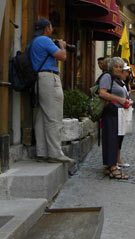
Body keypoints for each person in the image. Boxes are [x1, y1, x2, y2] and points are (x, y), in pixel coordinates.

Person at [30, 18, 75, 164]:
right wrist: (62, 46)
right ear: (47, 28)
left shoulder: (34, 41)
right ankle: (55, 153)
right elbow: (62, 56)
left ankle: (42, 152)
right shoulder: (45, 40)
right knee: (54, 117)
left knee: (42, 117)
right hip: (49, 78)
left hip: (39, 79)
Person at [98, 57, 133, 179]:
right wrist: (120, 100)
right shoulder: (107, 77)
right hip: (110, 112)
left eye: (120, 66)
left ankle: (109, 166)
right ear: (111, 67)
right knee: (112, 140)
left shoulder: (115, 79)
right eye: (116, 66)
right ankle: (113, 167)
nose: (119, 69)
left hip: (116, 112)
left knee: (113, 139)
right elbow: (102, 93)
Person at [116, 63, 132, 168]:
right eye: (126, 72)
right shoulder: (116, 83)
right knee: (117, 136)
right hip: (117, 111)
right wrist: (125, 101)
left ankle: (118, 159)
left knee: (120, 136)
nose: (127, 74)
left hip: (122, 111)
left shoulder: (122, 82)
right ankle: (116, 160)